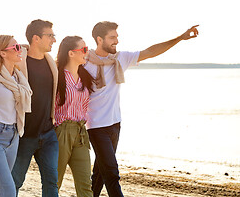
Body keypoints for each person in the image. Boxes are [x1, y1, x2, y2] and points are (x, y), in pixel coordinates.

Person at [84, 21, 199, 197]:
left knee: (100, 172)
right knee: (112, 173)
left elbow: (151, 51)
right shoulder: (83, 62)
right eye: (112, 37)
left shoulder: (120, 59)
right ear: (99, 39)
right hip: (95, 127)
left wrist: (180, 38)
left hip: (115, 124)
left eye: (117, 37)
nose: (117, 41)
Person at [11, 19, 59, 196]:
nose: (54, 39)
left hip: (48, 133)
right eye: (50, 36)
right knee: (15, 181)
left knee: (51, 181)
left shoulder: (51, 62)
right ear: (36, 38)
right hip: (25, 135)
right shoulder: (18, 63)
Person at [0, 35, 32, 197]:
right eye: (16, 47)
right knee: (8, 190)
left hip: (13, 136)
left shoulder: (18, 79)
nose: (20, 50)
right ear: (2, 53)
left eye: (20, 46)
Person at [54, 36, 95, 197]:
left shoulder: (84, 76)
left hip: (81, 132)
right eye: (84, 50)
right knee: (54, 182)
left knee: (85, 184)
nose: (87, 53)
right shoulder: (57, 76)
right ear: (71, 53)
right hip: (61, 132)